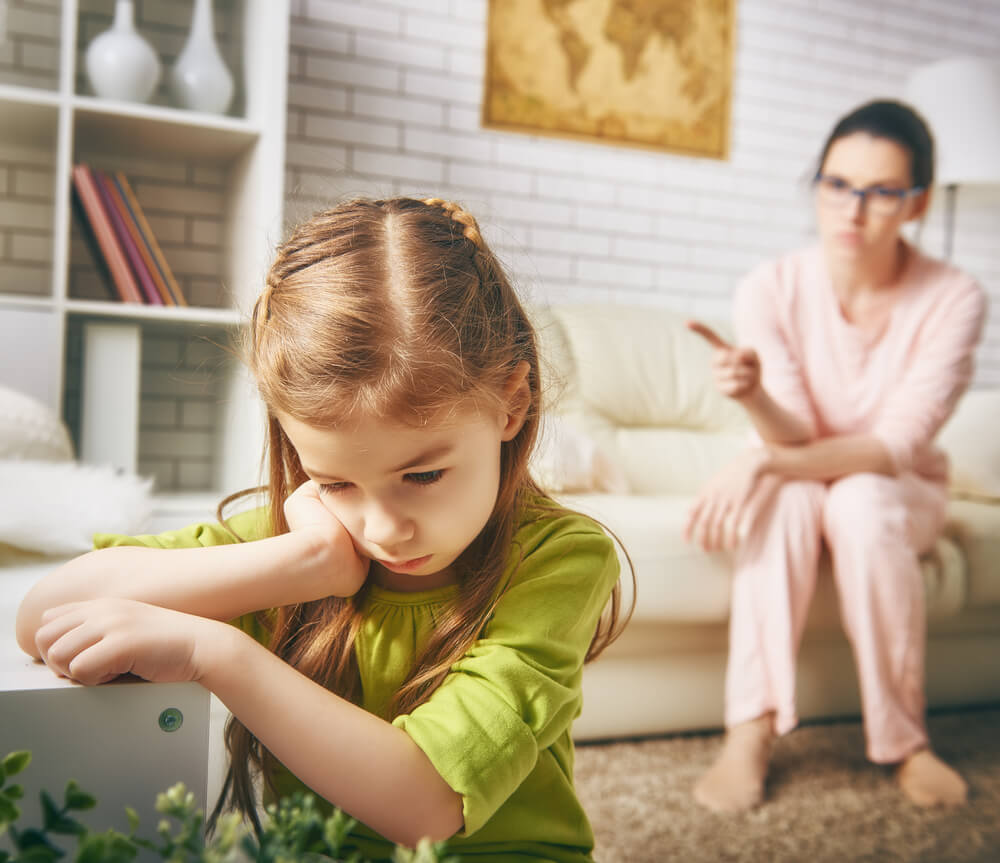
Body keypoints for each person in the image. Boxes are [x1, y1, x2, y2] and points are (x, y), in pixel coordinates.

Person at [15, 197, 631, 861]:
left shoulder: (561, 559)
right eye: (337, 483)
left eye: (423, 476)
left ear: (513, 401)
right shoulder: (306, 540)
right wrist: (304, 559)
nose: (383, 528)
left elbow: (426, 804)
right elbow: (44, 617)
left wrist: (215, 653)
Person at [684, 100, 986, 813]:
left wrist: (760, 462)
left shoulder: (955, 297)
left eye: (882, 191)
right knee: (792, 496)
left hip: (897, 488)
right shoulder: (771, 287)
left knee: (858, 497)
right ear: (817, 186)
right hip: (802, 476)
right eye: (837, 184)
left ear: (914, 204)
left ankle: (905, 740)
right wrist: (756, 399)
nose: (854, 209)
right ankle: (749, 731)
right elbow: (789, 436)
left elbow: (893, 449)